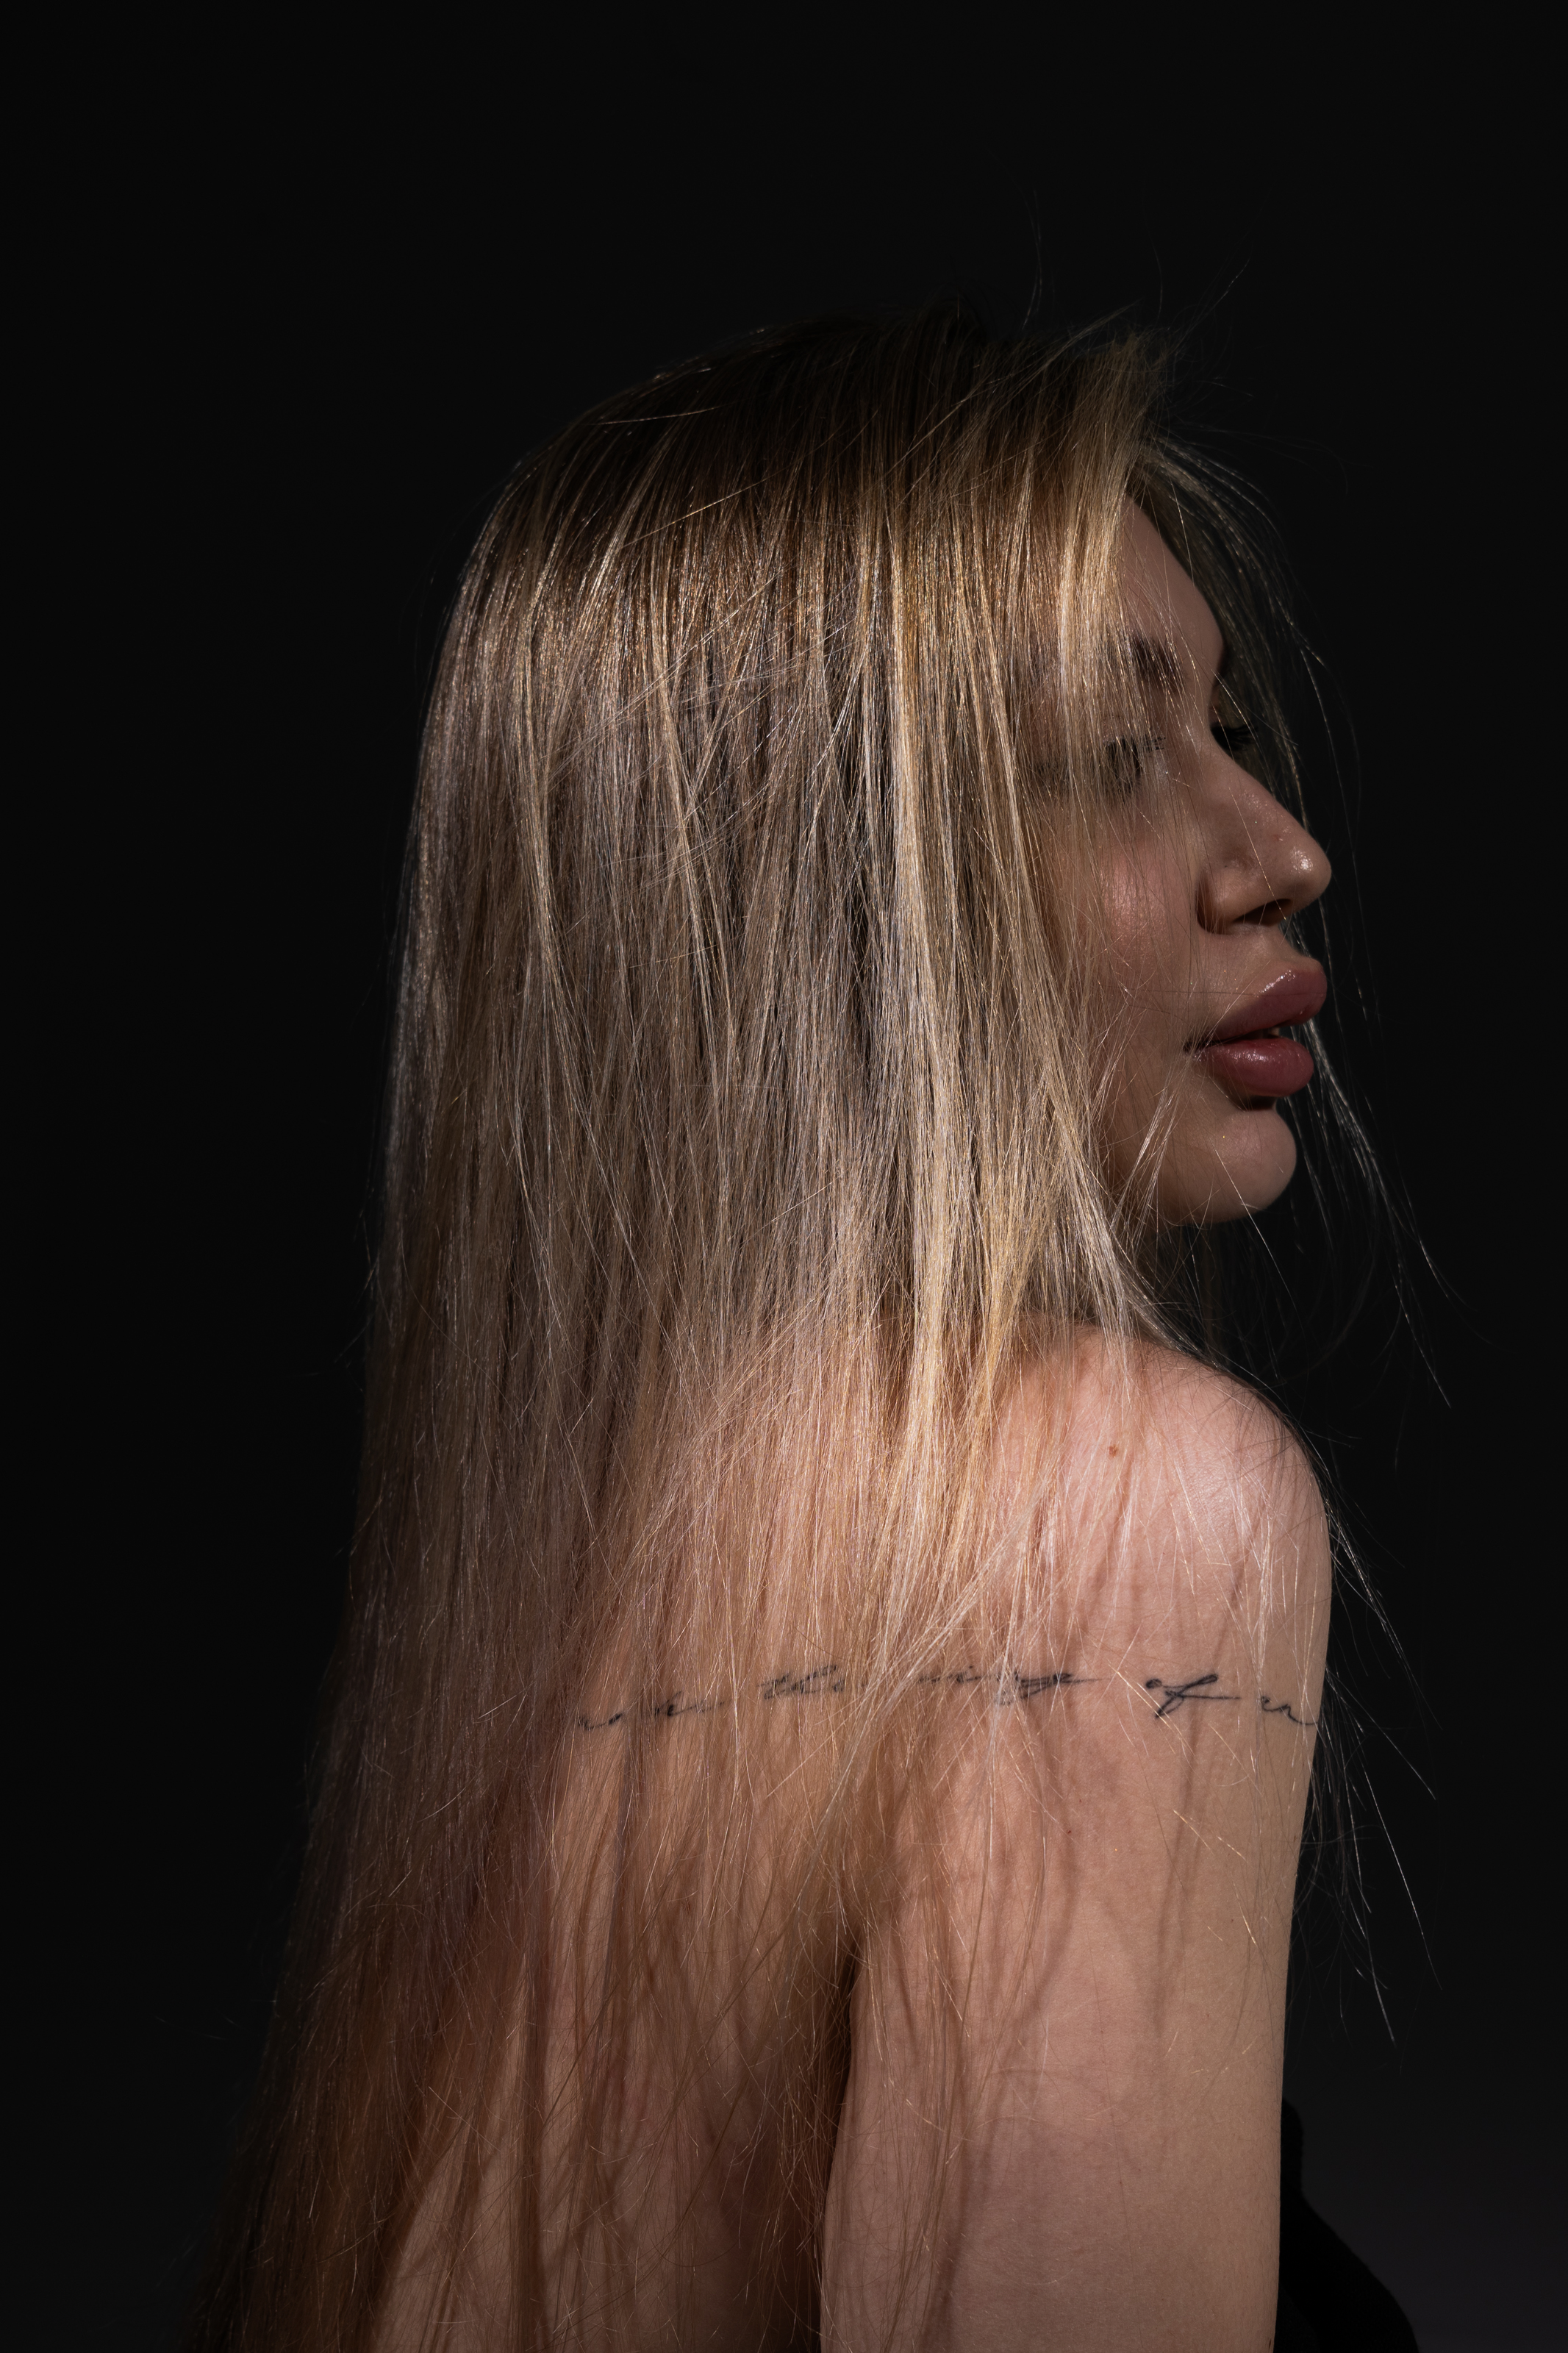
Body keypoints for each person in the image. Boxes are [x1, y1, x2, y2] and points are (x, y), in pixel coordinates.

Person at [187, 309, 1403, 2349]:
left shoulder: (559, 1597)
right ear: (819, 881)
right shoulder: (1116, 1516)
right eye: (1119, 756)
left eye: (1225, 730)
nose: (1283, 854)